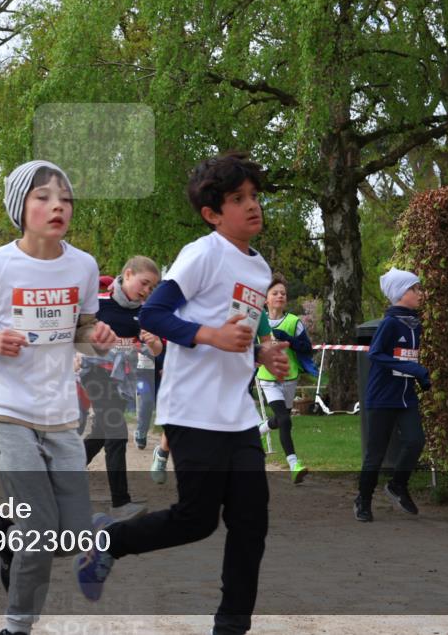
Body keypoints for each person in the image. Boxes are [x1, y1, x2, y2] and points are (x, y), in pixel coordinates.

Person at [73, 152, 289, 635]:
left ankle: (231, 627)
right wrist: (210, 335)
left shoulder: (259, 267)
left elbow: (242, 330)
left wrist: (260, 354)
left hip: (236, 413)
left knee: (251, 524)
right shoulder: (203, 253)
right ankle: (107, 541)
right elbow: (154, 314)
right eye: (238, 199)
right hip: (192, 410)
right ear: (213, 213)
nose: (252, 206)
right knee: (196, 519)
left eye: (254, 195)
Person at [0, 159, 116, 635]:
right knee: (42, 533)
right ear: (19, 208)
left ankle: (5, 529)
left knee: (68, 536)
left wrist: (98, 336)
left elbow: (82, 329)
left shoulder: (83, 265)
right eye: (44, 197)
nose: (57, 206)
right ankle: (16, 626)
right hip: (8, 409)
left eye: (65, 198)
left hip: (60, 411)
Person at [83, 258, 162, 520]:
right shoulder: (99, 303)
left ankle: (60, 475)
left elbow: (157, 350)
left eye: (152, 288)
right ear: (128, 274)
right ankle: (120, 503)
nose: (146, 291)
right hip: (94, 372)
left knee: (102, 431)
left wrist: (152, 345)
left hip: (121, 378)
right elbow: (76, 331)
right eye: (144, 283)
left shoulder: (145, 312)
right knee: (116, 432)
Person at [354, 267, 431, 522]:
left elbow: (406, 359)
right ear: (401, 293)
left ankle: (398, 485)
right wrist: (413, 368)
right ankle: (363, 500)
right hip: (382, 397)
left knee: (415, 441)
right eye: (415, 289)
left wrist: (420, 376)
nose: (420, 293)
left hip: (405, 396)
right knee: (375, 454)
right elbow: (375, 354)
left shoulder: (414, 324)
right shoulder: (389, 323)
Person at [256, 273, 318, 483]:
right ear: (266, 298)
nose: (280, 296)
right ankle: (294, 464)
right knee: (284, 420)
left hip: (290, 376)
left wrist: (288, 339)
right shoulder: (257, 320)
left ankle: (259, 430)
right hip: (267, 377)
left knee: (281, 418)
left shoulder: (293, 322)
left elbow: (307, 348)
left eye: (283, 293)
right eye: (275, 293)